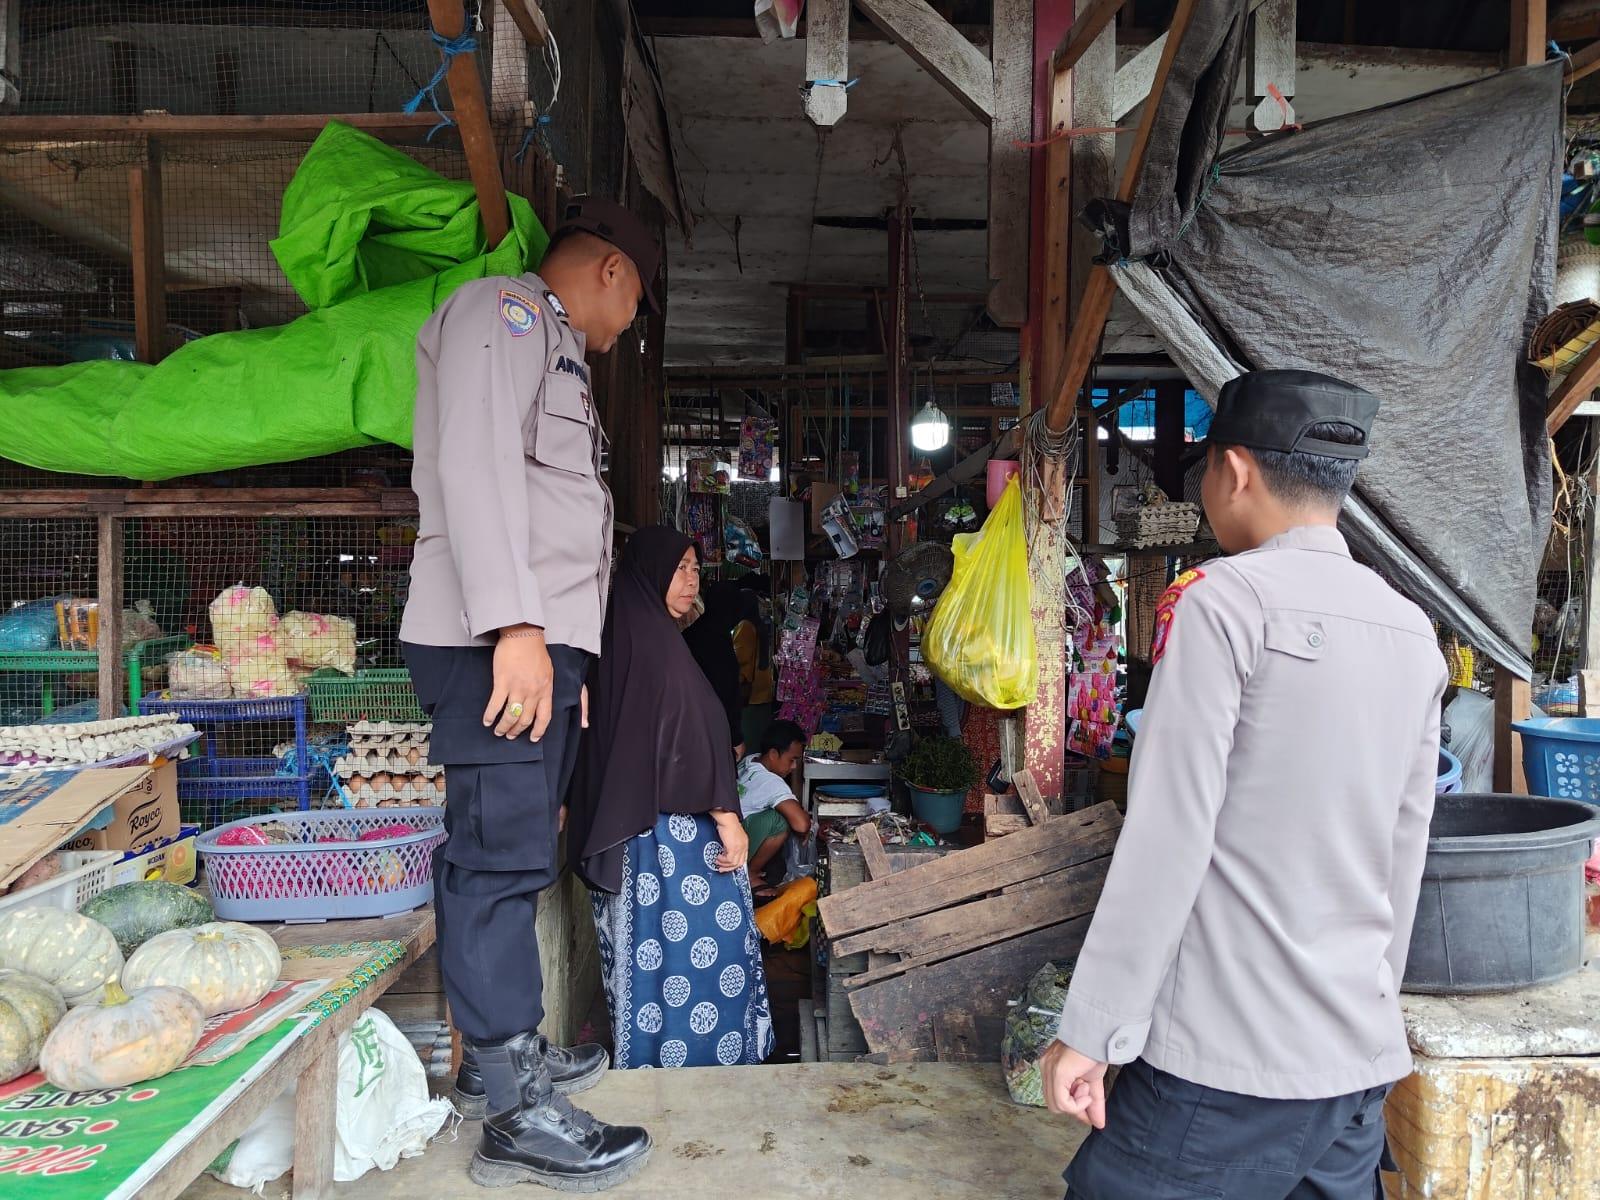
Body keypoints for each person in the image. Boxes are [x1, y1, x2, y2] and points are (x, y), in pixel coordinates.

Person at [1042, 370, 1447, 1200]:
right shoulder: (1411, 629)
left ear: (1233, 472)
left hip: (1225, 1062)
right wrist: (1369, 1011)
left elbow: (1169, 838)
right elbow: (1406, 853)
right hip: (1350, 1065)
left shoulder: (1222, 604)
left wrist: (1094, 1031)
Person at [399, 195, 660, 1192]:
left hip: (538, 649)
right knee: (496, 861)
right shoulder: (501, 314)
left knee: (512, 851)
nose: (629, 326)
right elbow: (475, 466)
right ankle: (514, 1115)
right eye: (635, 302)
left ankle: (498, 1063)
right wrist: (515, 629)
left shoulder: (555, 355)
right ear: (610, 270)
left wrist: (568, 658)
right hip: (492, 640)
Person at [567, 526, 776, 1070]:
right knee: (696, 960)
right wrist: (727, 817)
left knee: (650, 967)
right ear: (650, 573)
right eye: (680, 568)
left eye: (696, 569)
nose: (692, 580)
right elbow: (684, 737)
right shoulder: (654, 644)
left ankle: (652, 1065)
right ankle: (703, 1068)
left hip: (634, 839)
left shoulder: (624, 636)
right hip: (668, 844)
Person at [735, 719, 811, 893]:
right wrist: (805, 825)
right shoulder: (771, 782)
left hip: (722, 835)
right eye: (792, 760)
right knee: (780, 821)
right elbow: (801, 825)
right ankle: (750, 874)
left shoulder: (750, 760)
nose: (794, 767)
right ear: (773, 754)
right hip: (734, 843)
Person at [683, 579, 745, 754]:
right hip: (713, 730)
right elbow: (727, 693)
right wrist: (736, 737)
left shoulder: (690, 634)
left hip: (687, 724)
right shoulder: (719, 643)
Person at [733, 586, 776, 751]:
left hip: (750, 694)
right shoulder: (759, 625)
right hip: (762, 692)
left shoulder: (745, 626)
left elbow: (741, 660)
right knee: (759, 741)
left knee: (749, 742)